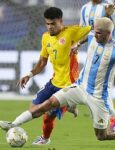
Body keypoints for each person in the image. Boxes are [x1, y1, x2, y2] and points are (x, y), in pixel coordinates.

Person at [0, 17, 115, 148]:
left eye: (99, 33)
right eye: (94, 31)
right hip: (80, 87)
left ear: (109, 33)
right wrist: (77, 45)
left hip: (98, 97)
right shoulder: (92, 36)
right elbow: (87, 36)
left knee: (102, 136)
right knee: (48, 104)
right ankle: (13, 124)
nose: (94, 35)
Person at [16, 7, 91, 145]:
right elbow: (42, 62)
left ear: (61, 21)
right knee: (32, 109)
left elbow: (93, 29)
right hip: (54, 82)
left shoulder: (71, 32)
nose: (50, 27)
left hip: (69, 86)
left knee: (47, 115)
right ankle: (70, 106)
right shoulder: (45, 37)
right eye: (48, 24)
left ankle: (45, 139)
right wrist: (29, 74)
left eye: (53, 24)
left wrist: (79, 43)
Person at [77, 0, 115, 130]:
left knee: (100, 88)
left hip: (108, 54)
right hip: (92, 53)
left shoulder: (109, 7)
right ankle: (111, 117)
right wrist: (76, 44)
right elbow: (85, 31)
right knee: (86, 86)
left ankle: (114, 118)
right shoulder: (84, 8)